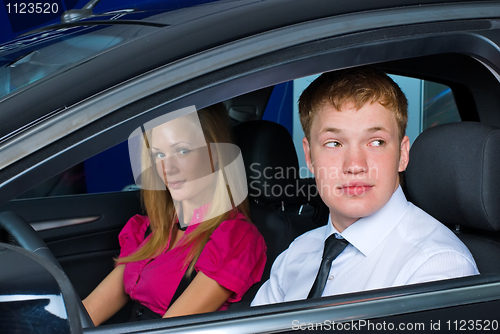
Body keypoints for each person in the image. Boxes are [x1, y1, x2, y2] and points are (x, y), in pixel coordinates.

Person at [251, 68, 478, 306]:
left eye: (376, 142)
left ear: (402, 154)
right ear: (309, 156)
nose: (355, 165)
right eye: (334, 143)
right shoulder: (297, 253)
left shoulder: (437, 268)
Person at [83, 104, 266, 325]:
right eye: (159, 154)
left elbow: (170, 330)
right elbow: (87, 312)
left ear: (216, 153)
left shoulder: (234, 238)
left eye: (182, 151)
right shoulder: (150, 229)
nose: (167, 168)